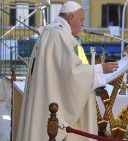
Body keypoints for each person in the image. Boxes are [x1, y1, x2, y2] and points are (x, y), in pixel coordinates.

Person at [16, 1, 119, 141]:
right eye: (81, 19)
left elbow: (61, 72)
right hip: (51, 106)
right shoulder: (58, 35)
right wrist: (100, 68)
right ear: (70, 18)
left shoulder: (51, 31)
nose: (83, 24)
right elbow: (71, 73)